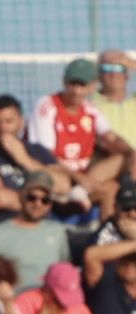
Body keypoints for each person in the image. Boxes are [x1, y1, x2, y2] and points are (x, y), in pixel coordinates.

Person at [29, 58, 132, 215]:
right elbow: (45, 156)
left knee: (114, 179)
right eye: (73, 84)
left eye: (82, 85)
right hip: (57, 174)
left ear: (92, 86)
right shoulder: (47, 106)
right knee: (59, 180)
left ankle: (103, 226)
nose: (76, 91)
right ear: (64, 82)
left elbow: (111, 137)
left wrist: (131, 154)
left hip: (82, 180)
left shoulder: (91, 110)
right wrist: (79, 178)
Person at [0, 94, 74, 224]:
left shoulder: (37, 150)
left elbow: (63, 185)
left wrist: (24, 160)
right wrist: (43, 202)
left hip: (45, 224)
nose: (2, 128)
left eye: (8, 122)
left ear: (21, 122)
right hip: (5, 223)